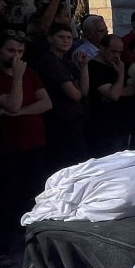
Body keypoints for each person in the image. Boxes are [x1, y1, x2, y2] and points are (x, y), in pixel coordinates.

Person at [0, 34, 52, 267]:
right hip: (6, 145)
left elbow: (46, 103)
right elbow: (12, 103)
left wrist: (17, 113)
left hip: (34, 141)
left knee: (32, 196)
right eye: (11, 51)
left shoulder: (29, 72)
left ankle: (34, 244)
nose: (16, 57)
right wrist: (17, 79)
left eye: (20, 52)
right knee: (4, 199)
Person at [36, 23, 91, 170]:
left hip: (74, 121)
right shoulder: (50, 62)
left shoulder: (66, 61)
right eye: (61, 37)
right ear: (50, 39)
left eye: (69, 37)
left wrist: (84, 66)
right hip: (59, 122)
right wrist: (77, 90)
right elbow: (75, 94)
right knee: (66, 165)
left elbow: (84, 92)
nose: (66, 41)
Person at [86, 35, 131, 156]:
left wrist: (118, 89)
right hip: (105, 128)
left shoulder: (117, 64)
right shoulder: (94, 67)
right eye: (113, 51)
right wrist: (120, 75)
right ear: (102, 48)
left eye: (119, 52)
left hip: (122, 125)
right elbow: (113, 95)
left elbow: (133, 88)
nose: (116, 56)